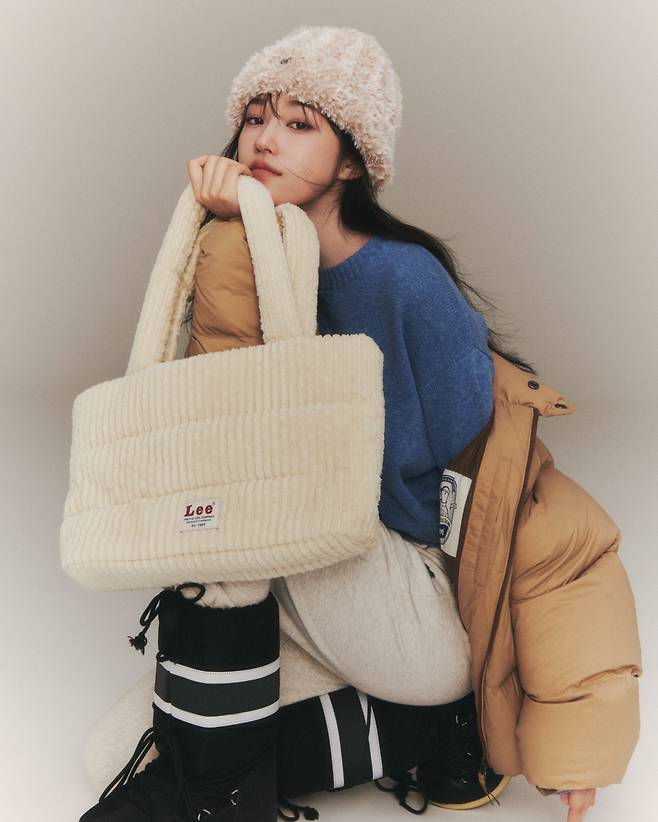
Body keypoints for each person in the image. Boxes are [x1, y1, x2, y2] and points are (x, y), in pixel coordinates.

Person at [77, 26, 620, 822]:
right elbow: (205, 426)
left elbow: (515, 507)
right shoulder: (251, 259)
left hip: (414, 606)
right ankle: (419, 733)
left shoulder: (406, 283)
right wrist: (230, 236)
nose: (265, 140)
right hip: (309, 585)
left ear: (352, 162)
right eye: (256, 118)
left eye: (300, 124)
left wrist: (572, 735)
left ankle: (237, 788)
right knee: (114, 756)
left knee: (256, 495)